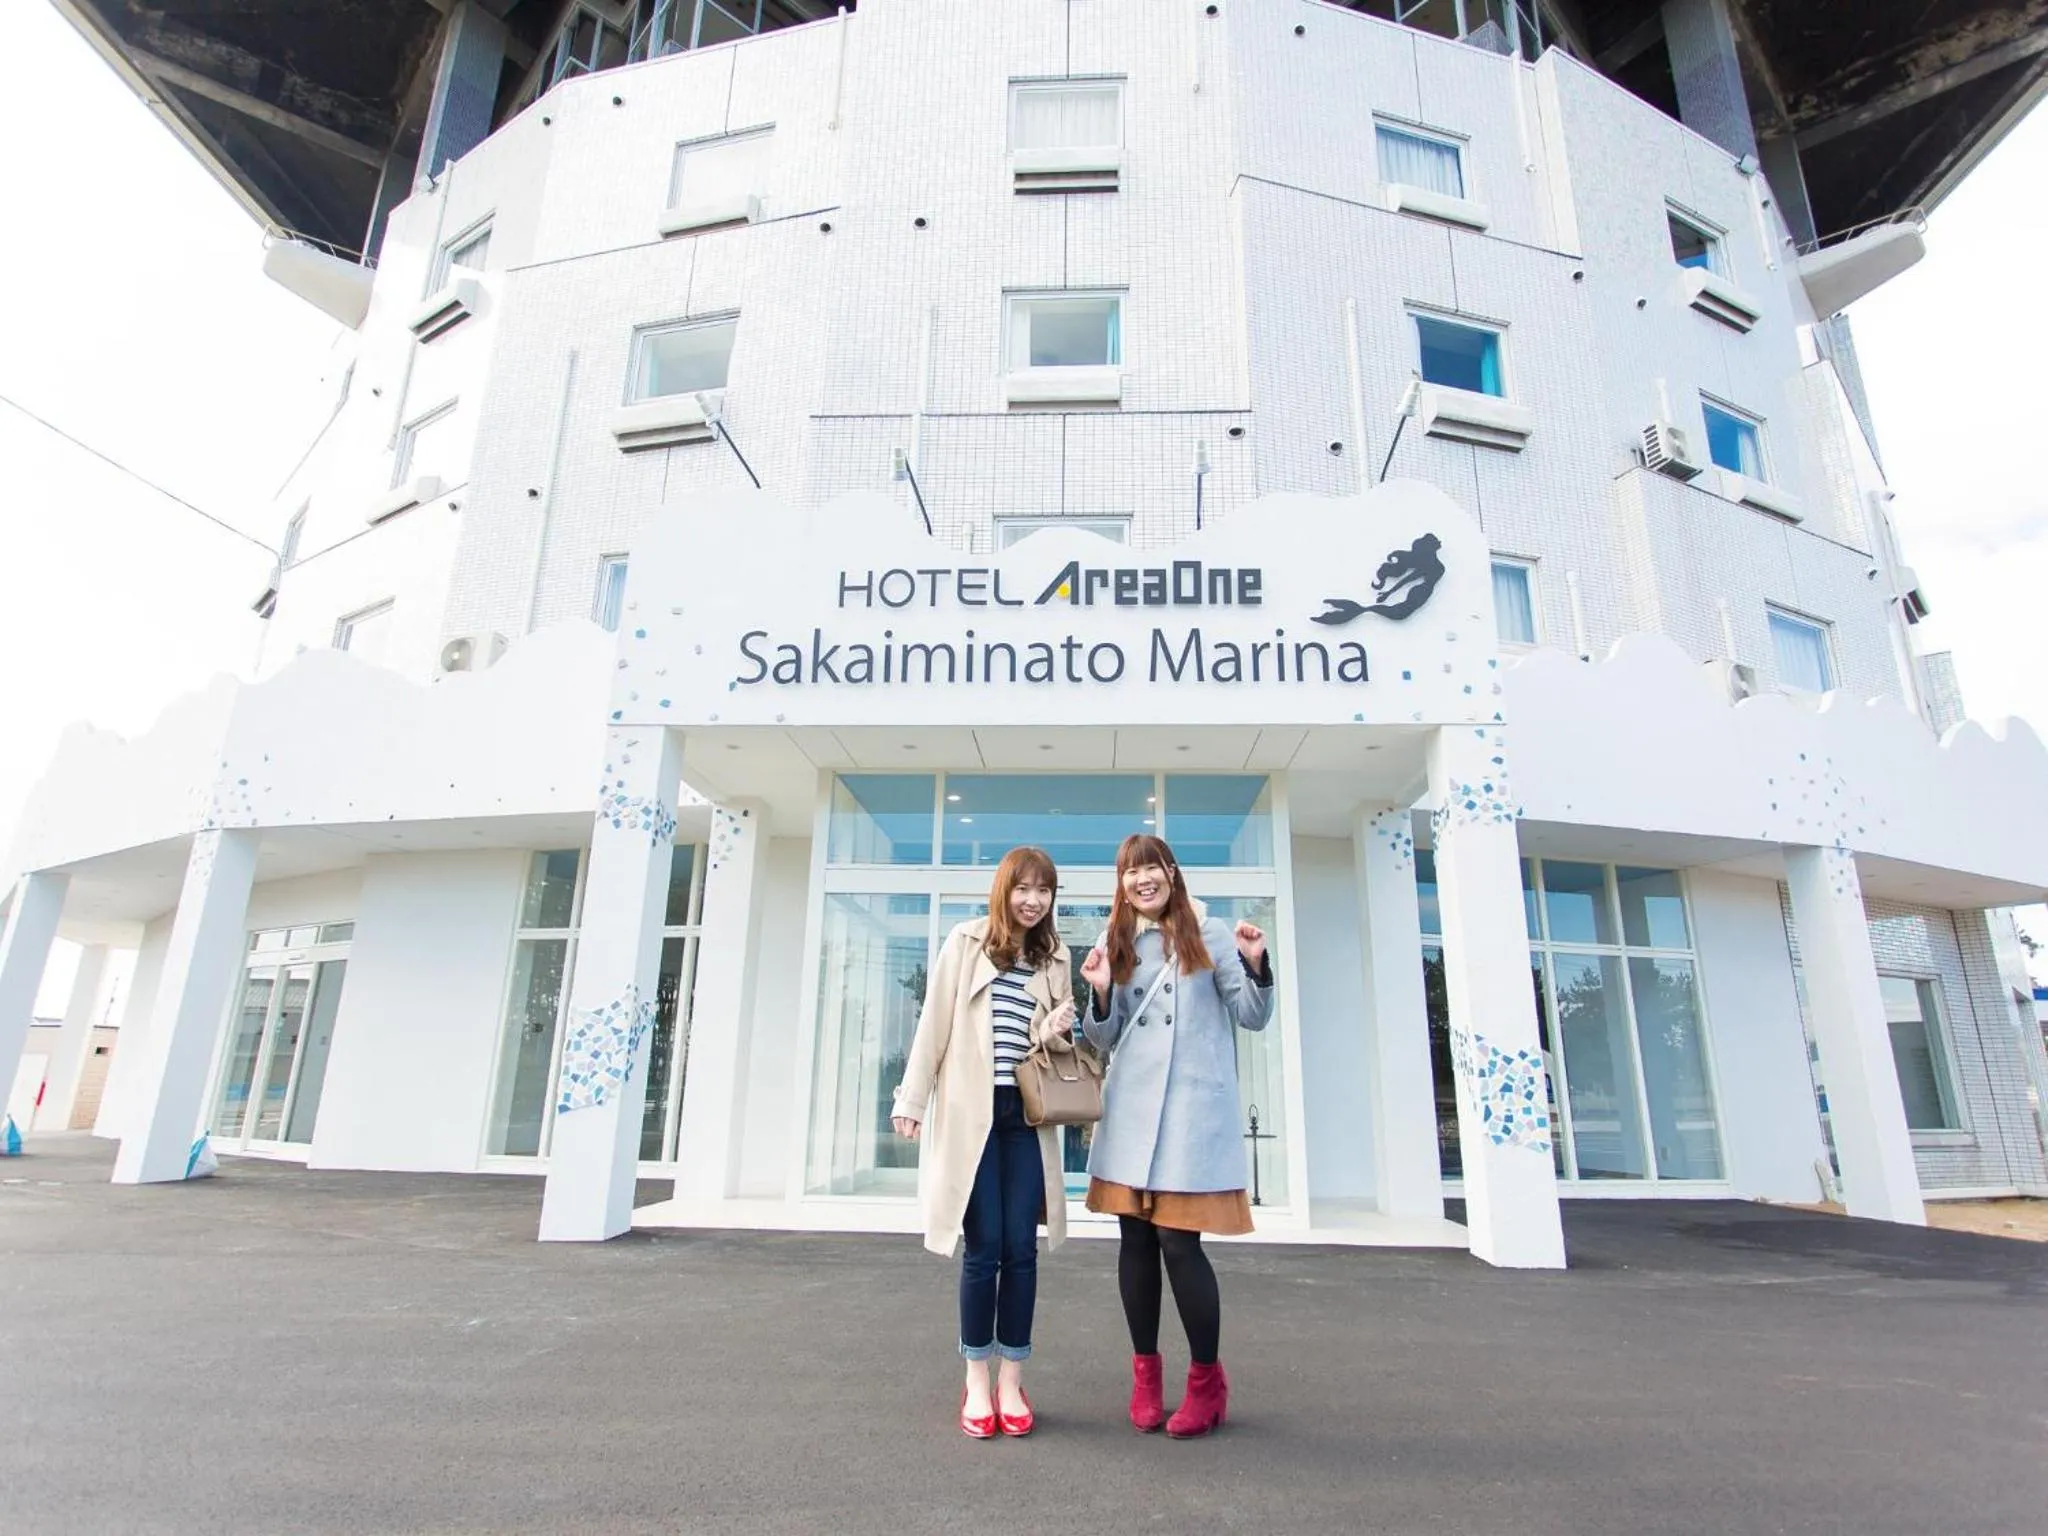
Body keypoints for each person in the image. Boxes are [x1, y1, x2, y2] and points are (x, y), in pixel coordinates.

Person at [1078, 833, 1273, 1439]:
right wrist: (1100, 990)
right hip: (1131, 1114)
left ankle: (1207, 1384)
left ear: (1171, 872)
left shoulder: (1210, 933)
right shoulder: (1116, 940)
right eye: (1130, 872)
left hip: (1189, 1113)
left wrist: (1256, 963)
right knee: (1135, 1241)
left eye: (1152, 868)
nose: (1143, 879)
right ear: (1122, 883)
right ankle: (1146, 1380)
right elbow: (1102, 1039)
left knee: (1179, 1243)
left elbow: (1252, 1016)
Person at [892, 845, 1077, 1439]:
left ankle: (1012, 1380)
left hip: (1025, 1115)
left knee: (1021, 1247)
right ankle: (976, 1378)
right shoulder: (966, 942)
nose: (1033, 900)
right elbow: (934, 1025)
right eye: (1023, 888)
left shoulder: (1054, 956)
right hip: (971, 1112)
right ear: (1004, 890)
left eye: (1044, 891)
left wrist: (1055, 1028)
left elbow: (1056, 1049)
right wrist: (912, 1099)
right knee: (984, 1246)